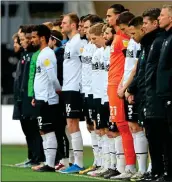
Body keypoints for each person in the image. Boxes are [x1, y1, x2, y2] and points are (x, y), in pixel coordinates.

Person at [117, 15, 148, 181]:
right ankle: (138, 168)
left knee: (141, 127)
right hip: (129, 88)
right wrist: (123, 85)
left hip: (136, 89)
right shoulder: (133, 43)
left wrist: (128, 88)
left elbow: (136, 69)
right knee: (133, 126)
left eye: (131, 32)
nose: (129, 36)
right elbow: (130, 67)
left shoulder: (142, 44)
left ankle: (145, 168)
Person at [107, 9, 137, 180]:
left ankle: (129, 166)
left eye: (110, 15)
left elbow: (131, 64)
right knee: (120, 125)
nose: (108, 19)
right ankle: (122, 167)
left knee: (125, 126)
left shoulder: (125, 38)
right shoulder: (118, 36)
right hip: (114, 85)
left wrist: (124, 85)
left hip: (120, 85)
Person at [13, 25, 45, 168]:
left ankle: (38, 157)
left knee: (33, 128)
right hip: (21, 96)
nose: (21, 42)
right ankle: (31, 156)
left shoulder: (34, 55)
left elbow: (31, 78)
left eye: (22, 39)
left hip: (29, 96)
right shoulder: (24, 55)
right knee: (27, 128)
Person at [31, 24, 61, 172]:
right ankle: (47, 162)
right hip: (41, 97)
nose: (32, 40)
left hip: (48, 99)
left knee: (48, 130)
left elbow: (52, 78)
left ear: (42, 38)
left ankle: (50, 164)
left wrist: (57, 92)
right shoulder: (42, 53)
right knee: (43, 131)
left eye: (34, 37)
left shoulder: (47, 54)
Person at [59, 13, 85, 173]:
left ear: (73, 25)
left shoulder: (78, 43)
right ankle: (75, 161)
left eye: (64, 23)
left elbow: (86, 64)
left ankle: (79, 163)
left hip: (75, 88)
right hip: (68, 88)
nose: (62, 25)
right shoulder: (69, 43)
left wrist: (82, 87)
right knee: (70, 124)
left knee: (73, 124)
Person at [48, 30, 70, 171]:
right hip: (58, 94)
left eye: (49, 39)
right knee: (59, 129)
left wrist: (59, 89)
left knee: (61, 129)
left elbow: (59, 76)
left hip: (61, 95)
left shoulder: (59, 56)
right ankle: (62, 159)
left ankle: (65, 160)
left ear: (54, 40)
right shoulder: (56, 55)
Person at [156, 4, 172, 181]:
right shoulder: (165, 38)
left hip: (169, 94)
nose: (159, 18)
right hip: (163, 94)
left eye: (162, 15)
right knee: (165, 135)